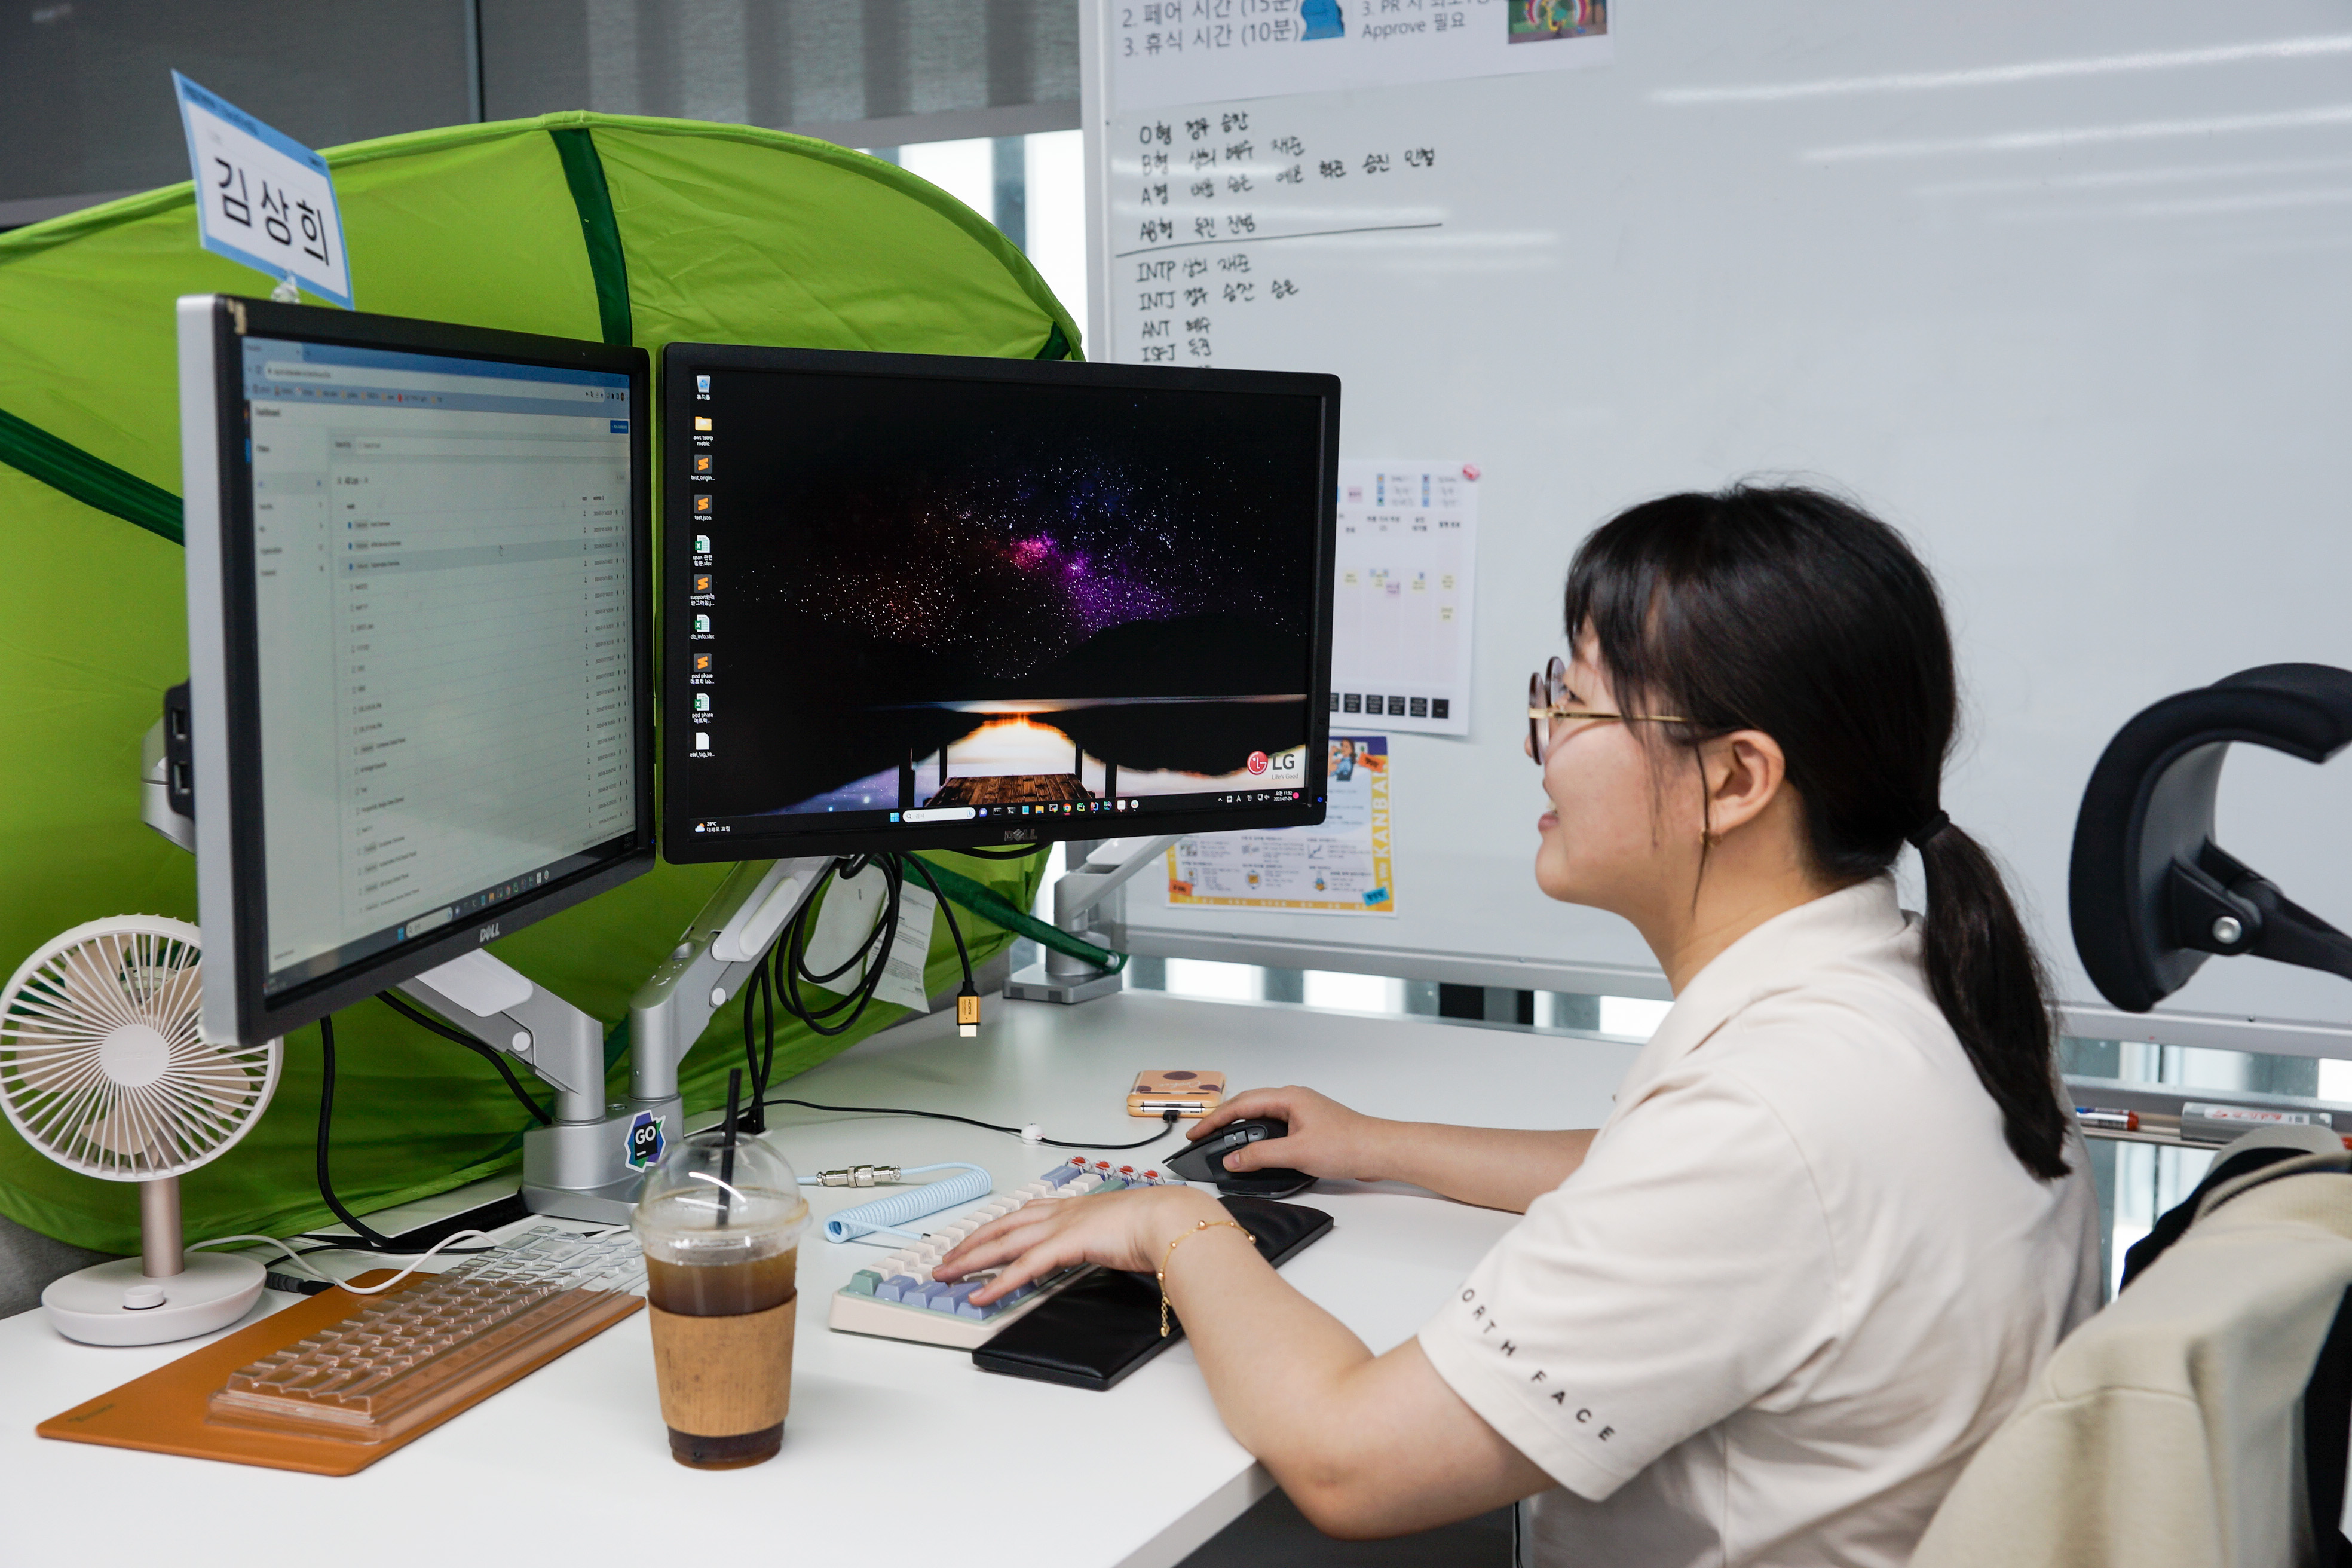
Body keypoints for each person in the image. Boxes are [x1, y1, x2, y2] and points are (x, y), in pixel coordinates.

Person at [939, 485, 2101, 1566]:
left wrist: (1175, 1225)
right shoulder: (1914, 990)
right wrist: (1378, 1146)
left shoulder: (1771, 1115)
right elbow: (1661, 1182)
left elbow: (1351, 1463)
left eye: (1577, 703)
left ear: (1736, 779)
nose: (1540, 737)